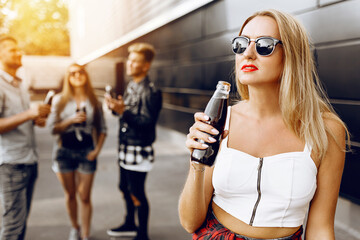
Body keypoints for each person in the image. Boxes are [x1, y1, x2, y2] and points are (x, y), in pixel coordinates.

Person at [179, 9, 349, 240]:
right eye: (241, 44)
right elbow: (190, 222)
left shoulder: (326, 130)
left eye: (264, 45)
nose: (248, 53)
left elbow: (320, 228)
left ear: (291, 55)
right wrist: (196, 162)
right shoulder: (220, 120)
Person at [105, 42, 162, 240]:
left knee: (137, 191)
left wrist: (123, 112)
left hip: (139, 148)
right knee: (124, 187)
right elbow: (126, 113)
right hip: (125, 145)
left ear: (146, 66)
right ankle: (130, 223)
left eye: (135, 61)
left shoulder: (151, 91)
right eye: (130, 60)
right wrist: (115, 108)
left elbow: (146, 123)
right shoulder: (131, 85)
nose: (130, 64)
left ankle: (142, 234)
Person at [47, 63, 107, 240]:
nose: (77, 75)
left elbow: (102, 128)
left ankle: (86, 234)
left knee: (85, 196)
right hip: (63, 152)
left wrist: (97, 150)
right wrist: (70, 120)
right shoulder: (60, 100)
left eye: (81, 72)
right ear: (68, 77)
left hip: (86, 152)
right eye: (72, 73)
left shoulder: (94, 100)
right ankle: (75, 228)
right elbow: (52, 128)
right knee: (71, 194)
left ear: (86, 75)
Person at [0, 35, 51, 240]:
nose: (18, 53)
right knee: (12, 228)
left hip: (29, 160)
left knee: (20, 226)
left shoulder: (20, 84)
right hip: (12, 164)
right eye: (12, 50)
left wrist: (35, 119)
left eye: (18, 49)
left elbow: (16, 119)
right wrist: (29, 114)